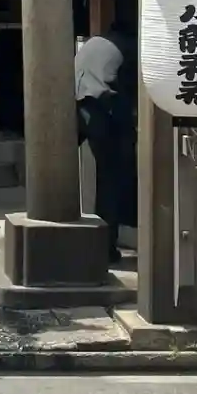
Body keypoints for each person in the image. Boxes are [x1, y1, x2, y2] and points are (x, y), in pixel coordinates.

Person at [74, 28, 138, 263]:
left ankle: (63, 230)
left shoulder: (97, 42)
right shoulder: (135, 48)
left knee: (61, 169)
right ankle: (105, 247)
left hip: (74, 99)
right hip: (101, 106)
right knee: (112, 178)